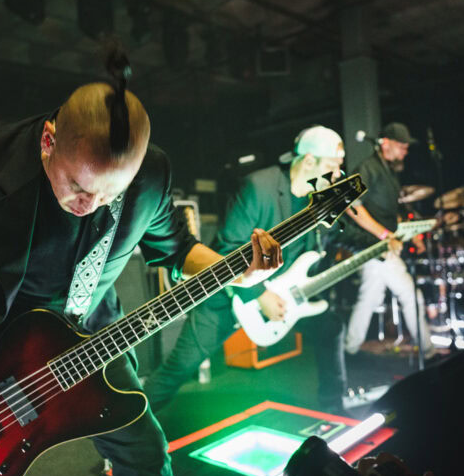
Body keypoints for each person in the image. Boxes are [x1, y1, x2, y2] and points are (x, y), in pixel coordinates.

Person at [0, 48, 283, 476]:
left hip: (86, 339)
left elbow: (177, 249)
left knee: (146, 457)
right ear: (48, 140)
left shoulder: (151, 175)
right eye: (79, 188)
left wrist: (237, 268)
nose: (92, 205)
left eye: (110, 193)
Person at [144, 125, 349, 415]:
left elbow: (318, 248)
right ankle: (126, 428)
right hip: (227, 297)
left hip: (282, 297)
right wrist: (260, 295)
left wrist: (379, 242)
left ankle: (335, 409)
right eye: (331, 165)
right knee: (179, 368)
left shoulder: (317, 200)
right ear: (308, 161)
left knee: (330, 327)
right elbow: (227, 248)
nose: (338, 173)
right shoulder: (259, 187)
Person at [344, 122, 433, 357]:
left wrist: (411, 236)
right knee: (410, 296)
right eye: (401, 146)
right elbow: (350, 204)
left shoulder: (390, 173)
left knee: (369, 299)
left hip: (381, 247)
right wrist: (384, 234)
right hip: (376, 246)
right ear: (386, 144)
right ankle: (428, 351)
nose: (405, 150)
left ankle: (349, 349)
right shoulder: (368, 168)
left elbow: (389, 213)